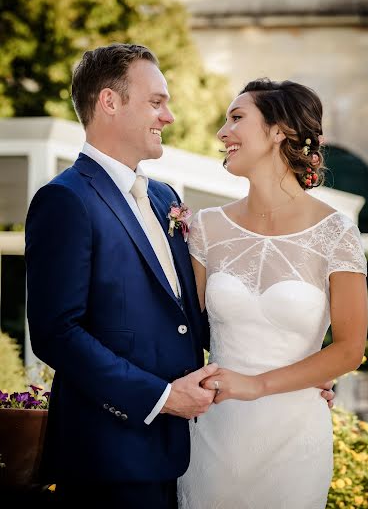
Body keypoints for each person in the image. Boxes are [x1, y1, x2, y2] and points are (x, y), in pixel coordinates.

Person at [25, 43, 219, 507]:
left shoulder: (163, 197)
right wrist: (160, 398)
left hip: (182, 453)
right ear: (109, 102)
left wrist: (286, 373)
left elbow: (188, 316)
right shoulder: (65, 200)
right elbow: (55, 333)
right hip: (107, 457)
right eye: (156, 102)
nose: (168, 116)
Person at [178, 78, 368, 509]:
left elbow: (350, 349)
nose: (223, 133)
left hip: (295, 436)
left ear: (279, 130)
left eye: (237, 118)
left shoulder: (336, 232)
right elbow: (185, 330)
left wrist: (257, 384)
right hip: (215, 429)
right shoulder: (206, 228)